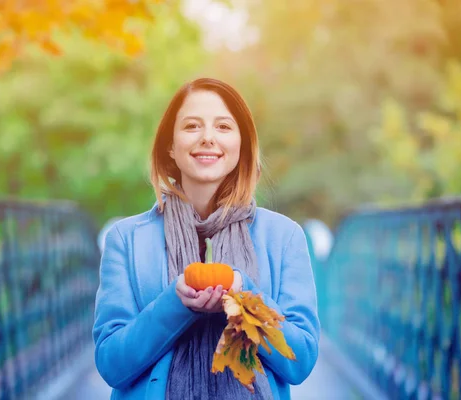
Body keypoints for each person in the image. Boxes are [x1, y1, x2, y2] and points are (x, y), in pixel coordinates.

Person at [93, 78, 320, 400]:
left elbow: (300, 362)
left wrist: (246, 299)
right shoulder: (127, 240)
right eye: (192, 126)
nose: (208, 138)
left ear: (242, 144)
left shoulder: (284, 238)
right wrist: (176, 303)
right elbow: (111, 364)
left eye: (224, 127)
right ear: (170, 145)